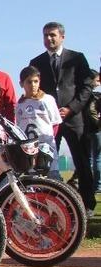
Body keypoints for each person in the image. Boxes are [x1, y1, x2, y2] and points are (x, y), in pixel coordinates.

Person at [28, 22, 94, 212]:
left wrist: (71, 108)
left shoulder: (77, 58)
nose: (49, 39)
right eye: (46, 36)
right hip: (48, 124)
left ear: (62, 37)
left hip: (74, 120)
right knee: (44, 164)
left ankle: (88, 204)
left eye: (53, 35)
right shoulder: (37, 62)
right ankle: (50, 205)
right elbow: (33, 90)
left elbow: (86, 87)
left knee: (82, 163)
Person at [16, 66, 62, 178]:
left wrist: (48, 139)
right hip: (29, 150)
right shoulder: (19, 104)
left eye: (36, 81)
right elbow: (19, 126)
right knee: (33, 180)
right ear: (21, 84)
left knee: (52, 178)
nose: (33, 85)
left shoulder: (47, 100)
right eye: (29, 82)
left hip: (46, 147)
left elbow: (55, 124)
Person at [86, 70, 101, 191]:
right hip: (95, 130)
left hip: (86, 130)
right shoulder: (93, 97)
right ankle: (97, 185)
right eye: (97, 80)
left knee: (90, 158)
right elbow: (92, 112)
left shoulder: (82, 96)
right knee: (97, 158)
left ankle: (89, 183)